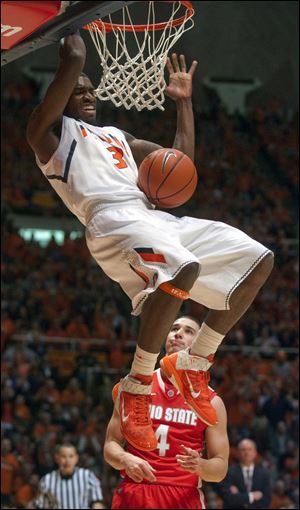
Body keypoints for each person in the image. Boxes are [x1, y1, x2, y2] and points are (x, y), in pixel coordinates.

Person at [26, 31, 274, 452]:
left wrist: (183, 104)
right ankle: (138, 384)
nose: (87, 96)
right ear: (62, 95)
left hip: (155, 219)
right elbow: (70, 67)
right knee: (182, 268)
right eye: (77, 91)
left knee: (257, 258)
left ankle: (196, 363)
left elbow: (181, 164)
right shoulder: (49, 136)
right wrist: (70, 38)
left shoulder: (116, 136)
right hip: (111, 222)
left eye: (90, 90)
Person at [104, 315, 230, 509]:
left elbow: (220, 468)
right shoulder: (134, 387)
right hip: (136, 491)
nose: (178, 334)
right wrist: (125, 458)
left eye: (188, 331)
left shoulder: (212, 401)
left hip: (182, 495)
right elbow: (110, 445)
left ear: (200, 343)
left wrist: (201, 466)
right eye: (174, 329)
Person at [34, 442, 105, 509]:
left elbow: (96, 502)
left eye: (71, 456)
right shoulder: (47, 480)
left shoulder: (87, 476)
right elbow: (41, 506)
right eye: (63, 456)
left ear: (76, 458)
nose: (67, 461)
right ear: (57, 458)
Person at [218, 438, 272, 509]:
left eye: (250, 449)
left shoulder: (264, 474)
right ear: (238, 453)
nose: (247, 453)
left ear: (255, 453)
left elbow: (266, 500)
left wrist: (239, 496)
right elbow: (228, 498)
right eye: (243, 450)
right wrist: (252, 496)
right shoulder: (229, 472)